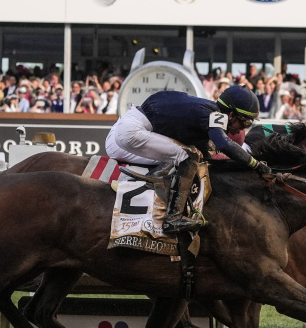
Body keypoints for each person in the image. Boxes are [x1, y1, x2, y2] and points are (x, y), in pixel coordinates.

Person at [104, 86, 271, 233]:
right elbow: (223, 144)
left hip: (128, 128)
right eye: (245, 122)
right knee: (187, 156)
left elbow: (207, 155)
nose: (242, 129)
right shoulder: (215, 114)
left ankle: (152, 188)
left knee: (189, 156)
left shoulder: (206, 110)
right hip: (131, 131)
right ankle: (172, 219)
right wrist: (255, 164)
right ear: (232, 114)